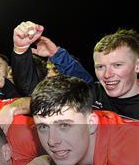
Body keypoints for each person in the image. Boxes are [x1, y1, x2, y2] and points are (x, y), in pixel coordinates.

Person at [25, 75, 139, 165]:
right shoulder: (78, 146)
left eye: (64, 125)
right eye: (43, 127)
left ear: (91, 123)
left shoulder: (130, 158)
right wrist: (45, 160)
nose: (52, 141)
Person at [11, 21, 139, 120]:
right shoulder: (90, 94)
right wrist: (21, 49)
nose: (107, 75)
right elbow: (32, 91)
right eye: (100, 67)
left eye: (117, 65)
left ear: (137, 66)